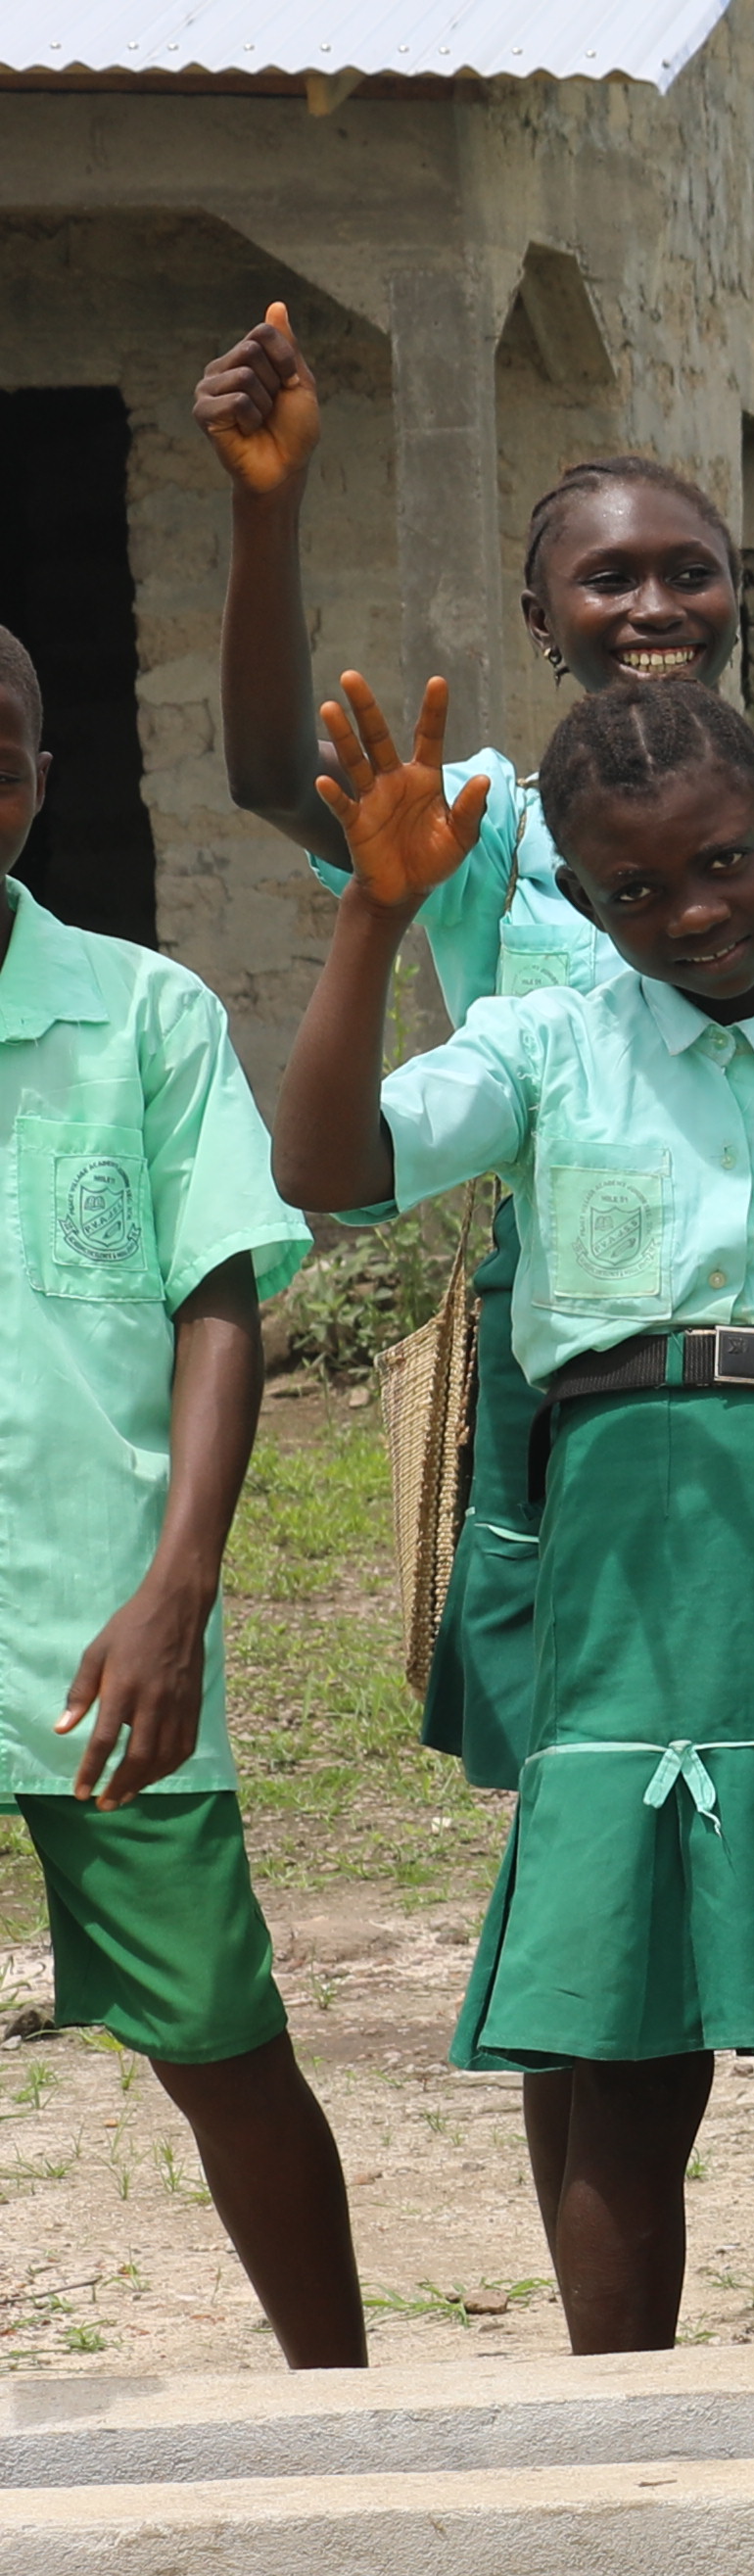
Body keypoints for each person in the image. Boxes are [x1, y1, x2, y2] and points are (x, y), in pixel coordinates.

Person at [270, 672, 754, 2353]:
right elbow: (327, 1165)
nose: (689, 912)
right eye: (635, 894)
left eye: (725, 865)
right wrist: (376, 927)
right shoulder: (543, 1048)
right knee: (621, 2056)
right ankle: (626, 2429)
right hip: (621, 1562)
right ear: (585, 904)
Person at [199, 318, 754, 1804]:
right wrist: (266, 500)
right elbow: (264, 779)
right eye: (607, 577)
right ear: (542, 617)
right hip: (575, 1323)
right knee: (589, 1743)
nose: (656, 602)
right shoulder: (486, 816)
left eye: (692, 567)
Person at [0, 622, 363, 2368]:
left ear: (41, 780)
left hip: (97, 1622)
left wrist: (179, 1592)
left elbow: (217, 1295)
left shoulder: (139, 1013)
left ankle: (345, 2407)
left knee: (221, 2034)